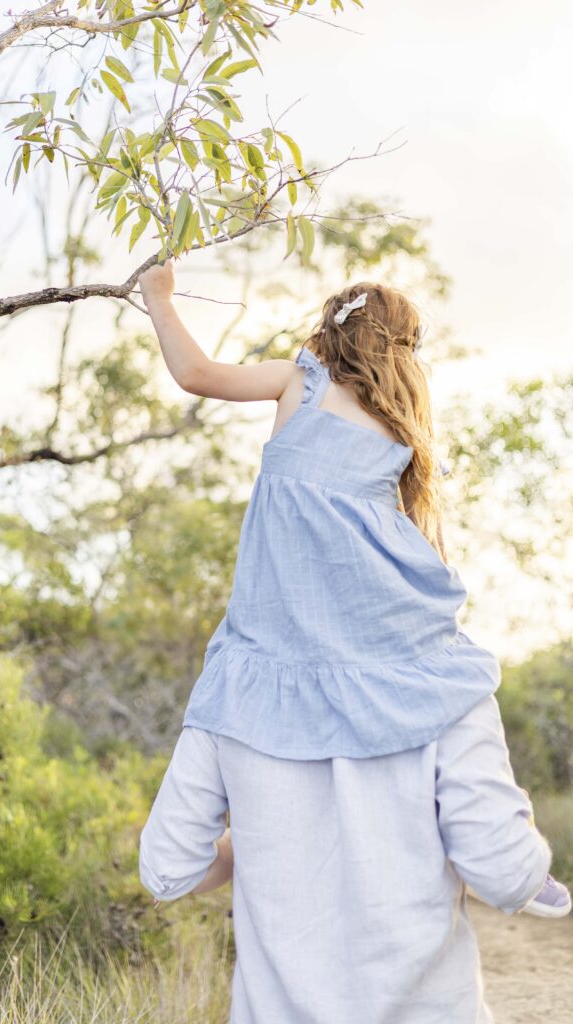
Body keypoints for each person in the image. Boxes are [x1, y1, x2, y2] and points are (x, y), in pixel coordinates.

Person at [136, 259, 570, 1024]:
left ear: (327, 333)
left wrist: (160, 301)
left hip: (272, 631)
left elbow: (168, 869)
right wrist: (522, 874)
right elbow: (497, 867)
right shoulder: (435, 675)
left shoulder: (236, 692)